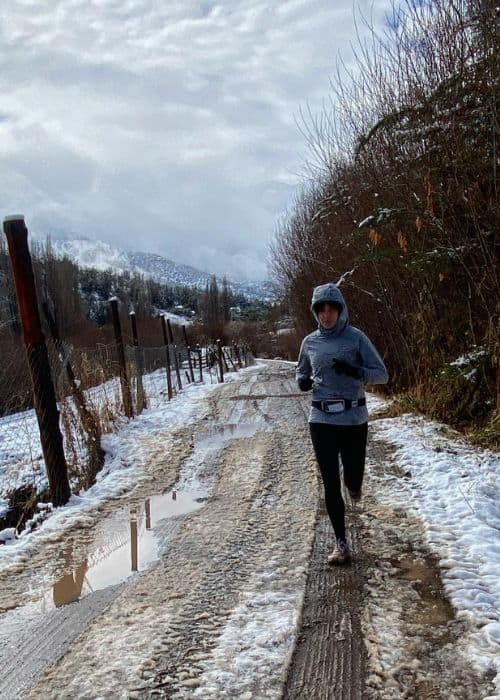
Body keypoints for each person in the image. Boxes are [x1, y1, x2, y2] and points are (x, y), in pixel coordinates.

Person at [296, 282, 388, 565]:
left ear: (340, 309)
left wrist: (355, 371)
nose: (326, 315)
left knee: (354, 475)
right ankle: (341, 544)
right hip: (321, 418)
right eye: (321, 310)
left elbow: (381, 375)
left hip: (353, 419)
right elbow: (302, 369)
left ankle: (354, 482)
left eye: (331, 309)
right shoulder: (310, 342)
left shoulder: (356, 338)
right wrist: (302, 381)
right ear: (315, 312)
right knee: (329, 482)